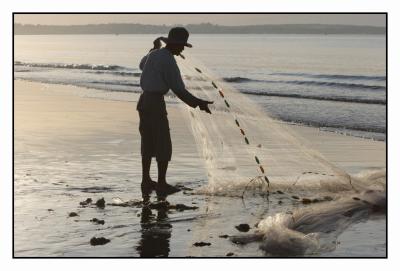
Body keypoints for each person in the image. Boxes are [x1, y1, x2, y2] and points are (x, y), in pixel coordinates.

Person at [137, 27, 213, 196]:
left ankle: (146, 180)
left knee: (148, 142)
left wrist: (154, 48)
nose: (183, 49)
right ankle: (162, 184)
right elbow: (179, 89)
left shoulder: (154, 55)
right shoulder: (168, 61)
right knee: (163, 142)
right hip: (155, 103)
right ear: (175, 44)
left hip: (143, 102)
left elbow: (141, 64)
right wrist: (199, 103)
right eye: (182, 46)